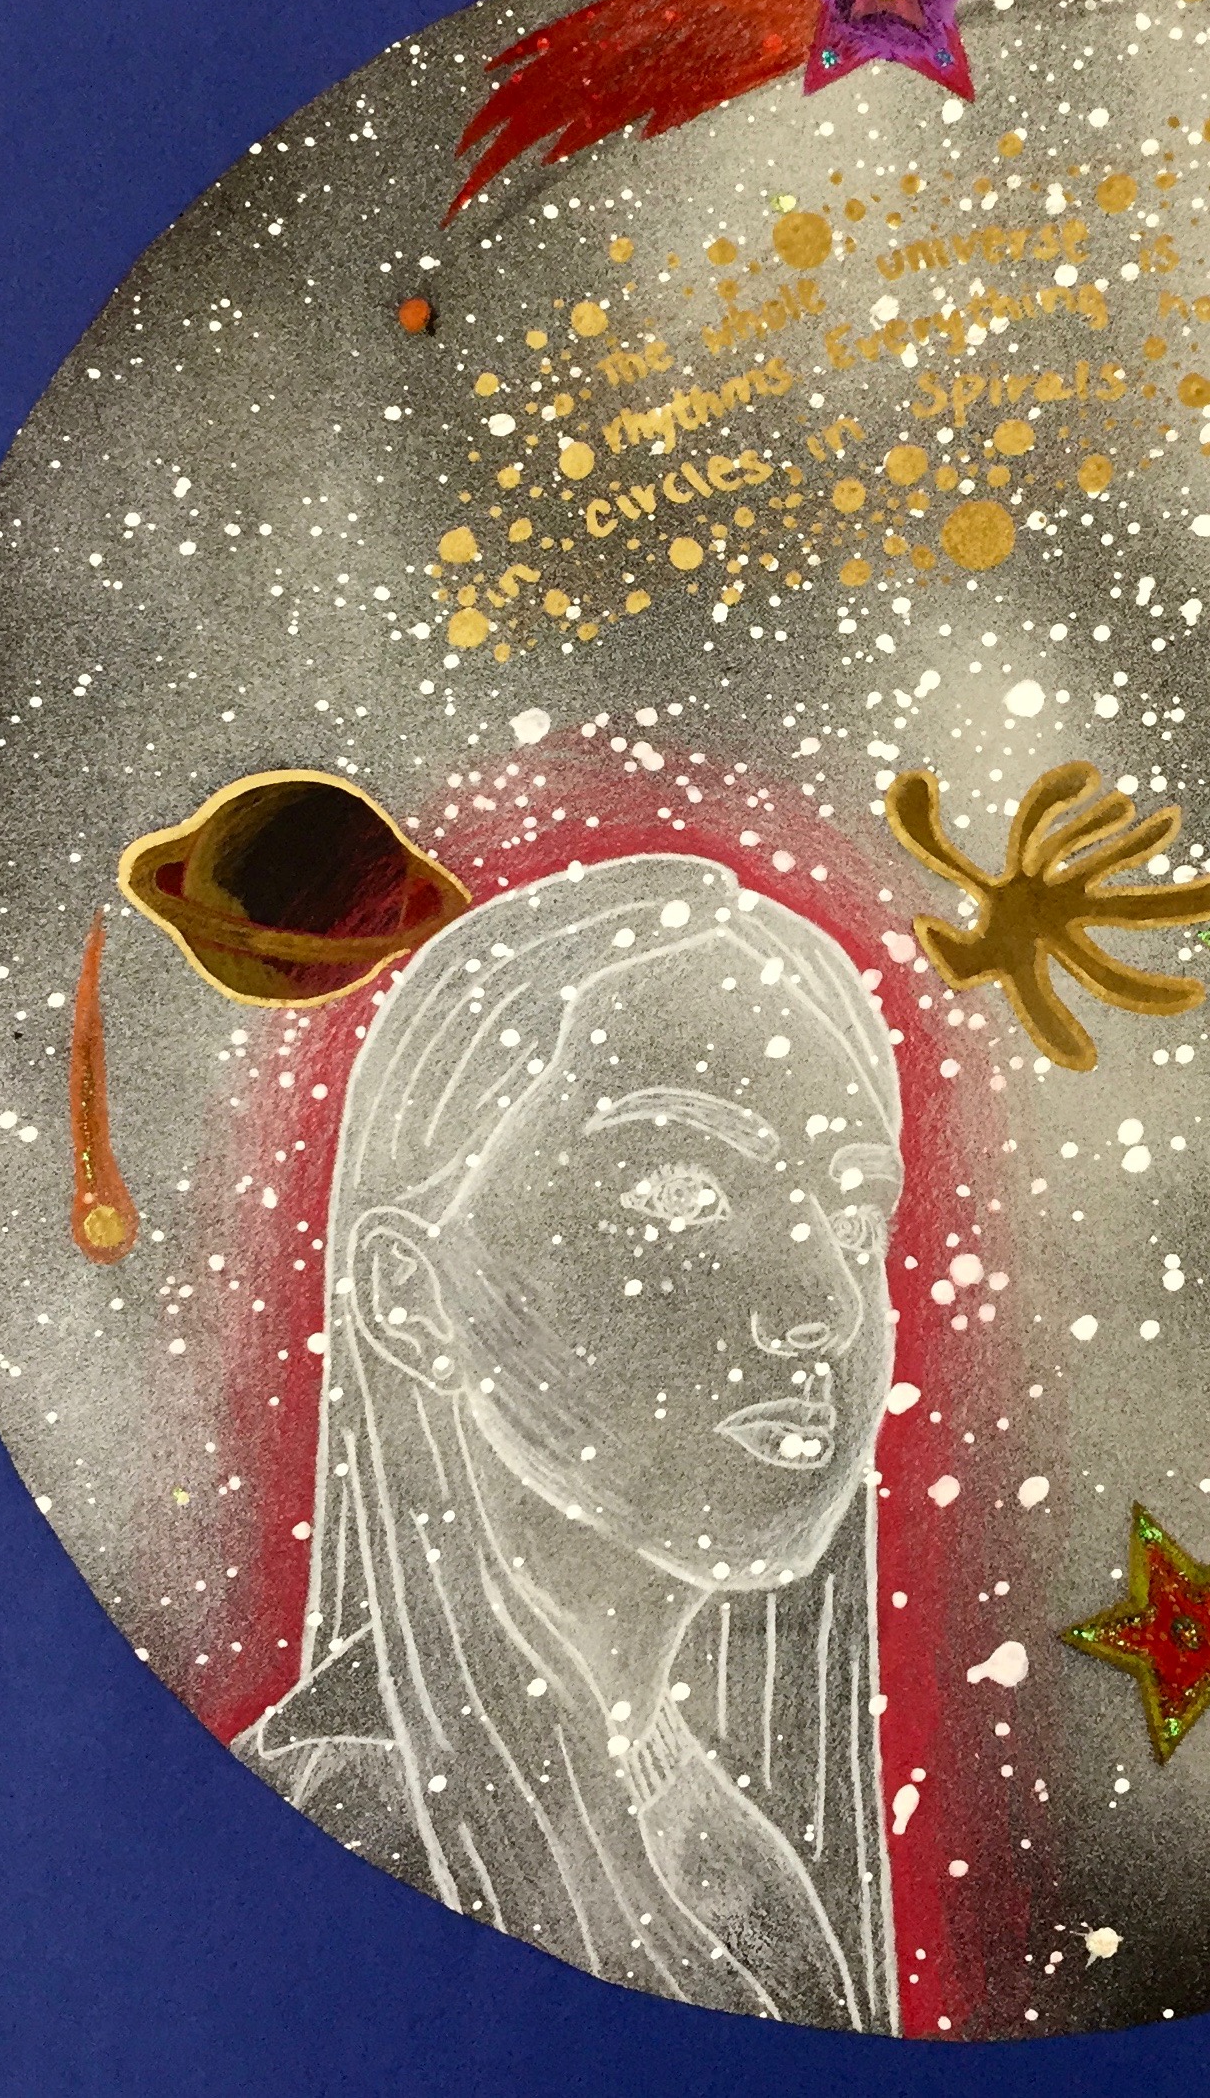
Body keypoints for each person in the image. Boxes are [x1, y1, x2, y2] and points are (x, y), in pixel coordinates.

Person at [236, 855, 903, 2027]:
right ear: (409, 1296)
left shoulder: (715, 1829)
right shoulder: (353, 1821)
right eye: (681, 1193)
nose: (827, 1306)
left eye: (854, 1217)